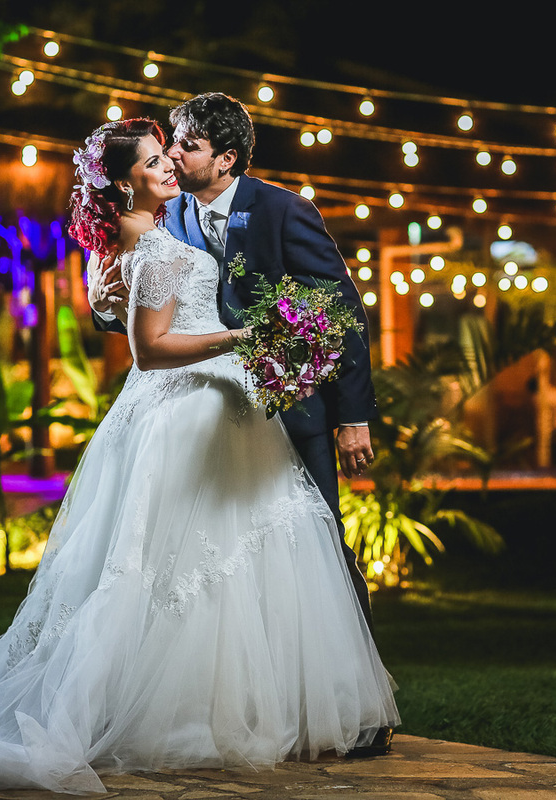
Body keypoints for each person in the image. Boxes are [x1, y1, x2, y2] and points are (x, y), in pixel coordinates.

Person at [0, 118, 399, 794]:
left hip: (238, 407)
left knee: (272, 551)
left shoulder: (225, 213)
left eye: (177, 152)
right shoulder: (152, 232)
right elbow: (149, 340)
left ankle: (287, 706)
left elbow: (326, 300)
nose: (172, 163)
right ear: (127, 179)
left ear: (227, 156)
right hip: (185, 402)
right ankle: (186, 712)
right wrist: (235, 335)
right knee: (179, 564)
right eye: (159, 157)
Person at [88, 93, 377, 632]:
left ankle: (356, 700)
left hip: (293, 407)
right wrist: (103, 305)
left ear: (226, 158)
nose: (172, 156)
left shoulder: (284, 210)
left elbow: (342, 311)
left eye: (187, 146)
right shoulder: (165, 213)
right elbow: (142, 301)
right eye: (170, 145)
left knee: (321, 549)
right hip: (207, 415)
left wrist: (353, 419)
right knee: (224, 562)